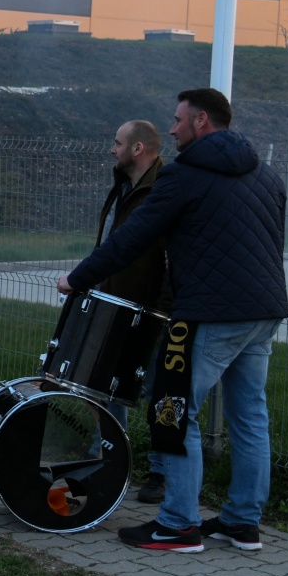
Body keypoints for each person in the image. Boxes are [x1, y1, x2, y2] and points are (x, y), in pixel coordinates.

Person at [58, 88, 287, 554]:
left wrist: (77, 278)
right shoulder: (266, 175)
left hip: (209, 312)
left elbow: (133, 238)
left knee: (174, 411)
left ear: (201, 121)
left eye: (178, 120)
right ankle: (243, 522)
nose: (173, 129)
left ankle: (179, 524)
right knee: (250, 417)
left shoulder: (183, 175)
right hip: (264, 310)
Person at [92, 119, 173, 502]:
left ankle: (162, 473)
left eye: (118, 142)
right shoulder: (124, 185)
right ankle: (110, 461)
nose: (112, 149)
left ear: (138, 148)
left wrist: (164, 310)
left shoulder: (164, 188)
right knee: (107, 385)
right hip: (118, 305)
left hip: (155, 313)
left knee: (161, 393)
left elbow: (168, 257)